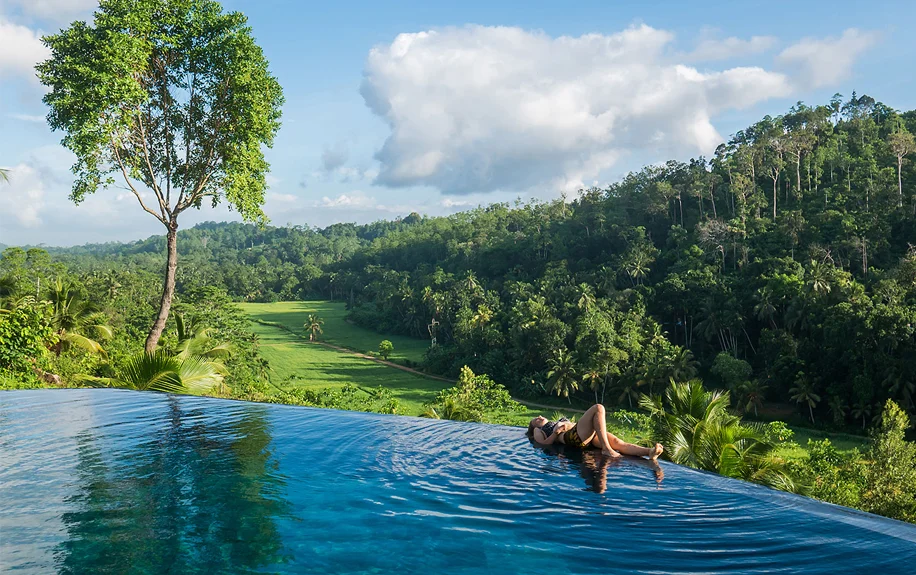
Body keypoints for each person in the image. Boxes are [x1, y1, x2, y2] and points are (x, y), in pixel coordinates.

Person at [526, 404, 663, 459]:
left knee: (618, 442)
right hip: (572, 436)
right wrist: (556, 432)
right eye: (535, 420)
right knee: (598, 407)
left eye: (538, 417)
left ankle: (649, 452)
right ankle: (606, 449)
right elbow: (543, 444)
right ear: (532, 427)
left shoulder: (555, 421)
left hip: (584, 434)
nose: (538, 417)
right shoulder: (539, 429)